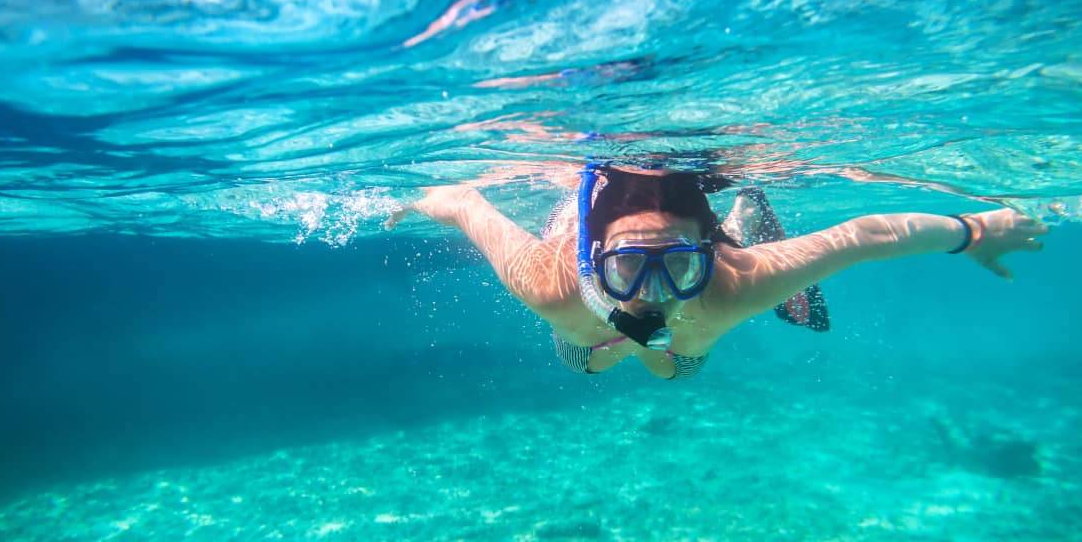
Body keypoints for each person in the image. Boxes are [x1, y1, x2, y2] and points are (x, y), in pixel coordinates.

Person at [386, 164, 1048, 380]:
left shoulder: (734, 283)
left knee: (679, 364)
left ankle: (744, 215)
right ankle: (637, 346)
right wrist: (413, 199)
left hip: (697, 316)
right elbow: (464, 202)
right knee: (585, 357)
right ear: (591, 259)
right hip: (595, 327)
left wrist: (975, 232)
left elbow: (864, 236)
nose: (650, 293)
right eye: (626, 267)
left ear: (710, 252)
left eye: (676, 265)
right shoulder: (550, 282)